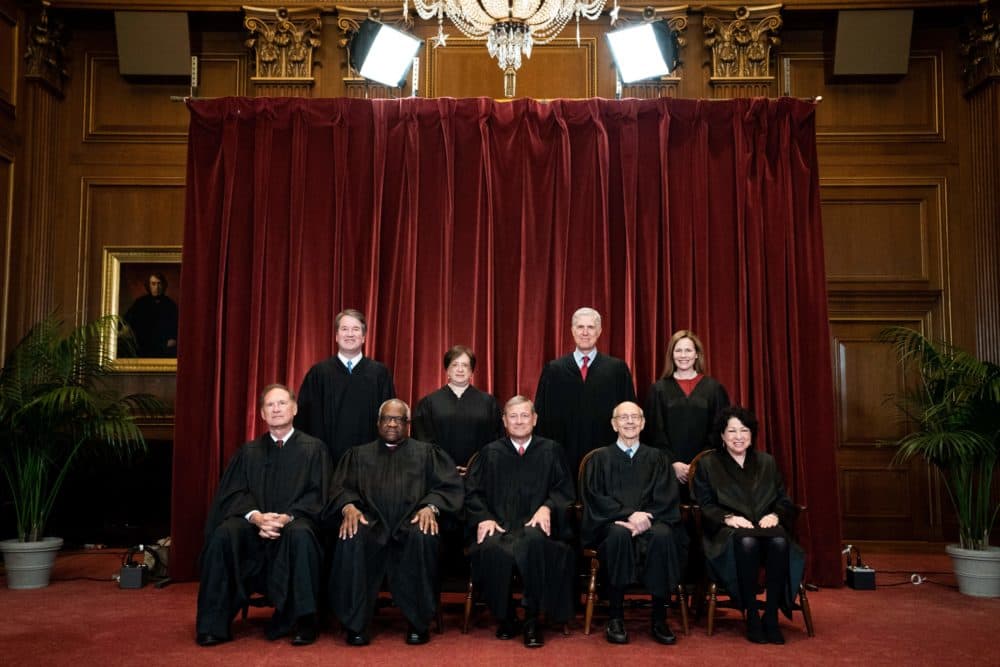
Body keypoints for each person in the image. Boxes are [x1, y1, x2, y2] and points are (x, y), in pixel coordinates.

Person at [195, 384, 331, 647]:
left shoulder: (314, 450)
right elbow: (234, 493)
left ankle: (304, 621)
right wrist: (257, 517)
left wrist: (285, 518)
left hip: (294, 524)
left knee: (302, 534)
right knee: (224, 534)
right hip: (254, 528)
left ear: (294, 409)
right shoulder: (249, 452)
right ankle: (213, 624)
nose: (277, 409)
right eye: (271, 405)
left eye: (282, 403)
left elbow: (318, 495)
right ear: (262, 414)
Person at [328, 399, 464, 646]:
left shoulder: (427, 454)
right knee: (352, 535)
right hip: (370, 525)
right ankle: (356, 624)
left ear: (408, 424)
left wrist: (430, 507)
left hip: (411, 524)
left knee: (424, 534)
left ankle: (418, 622)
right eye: (387, 419)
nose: (392, 424)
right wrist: (348, 507)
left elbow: (449, 487)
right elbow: (340, 488)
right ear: (378, 423)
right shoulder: (358, 455)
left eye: (398, 419)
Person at [464, 395, 575, 648]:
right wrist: (484, 518)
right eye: (513, 416)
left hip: (536, 527)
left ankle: (532, 619)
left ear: (535, 419)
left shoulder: (551, 450)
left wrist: (547, 508)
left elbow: (564, 490)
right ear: (504, 421)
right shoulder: (490, 453)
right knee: (492, 548)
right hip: (500, 525)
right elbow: (472, 493)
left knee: (533, 543)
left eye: (525, 415)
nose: (519, 421)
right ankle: (506, 617)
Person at [692, 406, 805, 645]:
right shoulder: (709, 464)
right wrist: (728, 518)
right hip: (727, 532)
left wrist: (775, 515)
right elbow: (705, 505)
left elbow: (783, 500)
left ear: (752, 434)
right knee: (747, 541)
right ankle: (752, 615)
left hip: (766, 527)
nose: (738, 436)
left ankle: (771, 615)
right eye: (731, 431)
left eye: (744, 430)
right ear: (722, 435)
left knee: (778, 540)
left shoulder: (767, 462)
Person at [581, 401, 686, 646]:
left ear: (643, 423)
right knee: (618, 535)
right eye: (623, 417)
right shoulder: (600, 459)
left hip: (653, 521)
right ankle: (615, 617)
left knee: (663, 536)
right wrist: (629, 515)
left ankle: (659, 617)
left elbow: (666, 496)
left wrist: (646, 517)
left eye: (635, 417)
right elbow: (595, 497)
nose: (629, 422)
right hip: (612, 523)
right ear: (614, 424)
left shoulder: (657, 458)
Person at [534, 307, 636, 475]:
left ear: (599, 331)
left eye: (591, 327)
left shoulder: (617, 369)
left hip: (607, 458)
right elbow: (541, 418)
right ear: (572, 331)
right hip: (562, 457)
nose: (585, 332)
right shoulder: (554, 370)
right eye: (580, 327)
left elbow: (630, 415)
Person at [295, 308, 395, 463]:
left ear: (363, 337)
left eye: (355, 329)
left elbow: (390, 419)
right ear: (336, 336)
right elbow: (303, 419)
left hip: (370, 462)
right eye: (344, 329)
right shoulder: (318, 374)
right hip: (325, 462)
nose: (349, 334)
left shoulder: (379, 374)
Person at [644, 330, 730, 494]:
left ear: (697, 354)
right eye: (678, 350)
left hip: (706, 470)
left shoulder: (714, 389)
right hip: (667, 472)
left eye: (688, 350)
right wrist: (672, 463)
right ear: (672, 354)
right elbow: (654, 432)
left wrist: (698, 464)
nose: (683, 355)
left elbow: (719, 432)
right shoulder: (658, 389)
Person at [412, 345, 502, 473]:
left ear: (472, 371)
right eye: (455, 365)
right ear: (447, 370)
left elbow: (495, 441)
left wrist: (475, 467)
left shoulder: (489, 403)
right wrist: (445, 467)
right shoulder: (428, 403)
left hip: (480, 474)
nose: (460, 369)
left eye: (465, 365)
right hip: (440, 475)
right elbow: (422, 442)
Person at [123, 272, 178, 358]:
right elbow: (126, 320)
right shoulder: (140, 303)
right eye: (153, 284)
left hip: (164, 346)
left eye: (159, 284)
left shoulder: (170, 304)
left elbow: (177, 325)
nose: (157, 287)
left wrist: (174, 338)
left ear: (163, 286)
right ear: (148, 286)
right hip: (143, 346)